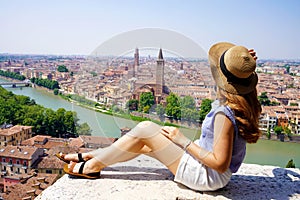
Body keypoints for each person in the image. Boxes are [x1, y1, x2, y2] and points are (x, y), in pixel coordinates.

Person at [57, 42, 262, 191]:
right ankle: (96, 156)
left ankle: (92, 166)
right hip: (207, 169)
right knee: (143, 142)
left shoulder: (224, 114)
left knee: (146, 129)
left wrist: (182, 141)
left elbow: (220, 163)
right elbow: (240, 82)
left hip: (207, 176)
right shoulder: (243, 99)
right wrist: (244, 65)